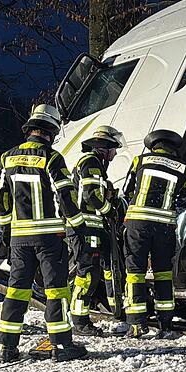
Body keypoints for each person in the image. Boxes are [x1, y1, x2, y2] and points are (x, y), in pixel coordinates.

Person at [0, 104, 89, 362]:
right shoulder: (52, 158)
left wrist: (6, 230)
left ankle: (7, 347)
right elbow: (65, 196)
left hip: (19, 239)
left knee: (17, 290)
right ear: (52, 131)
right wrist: (78, 226)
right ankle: (61, 345)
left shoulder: (7, 158)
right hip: (49, 239)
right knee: (56, 290)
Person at [121, 129, 186, 338]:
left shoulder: (140, 161)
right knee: (163, 273)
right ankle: (166, 324)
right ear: (174, 148)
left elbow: (127, 190)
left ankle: (136, 324)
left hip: (138, 225)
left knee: (135, 273)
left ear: (154, 146)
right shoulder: (183, 168)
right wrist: (185, 201)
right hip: (164, 227)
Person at [68, 125, 125, 336]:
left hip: (92, 227)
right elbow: (91, 194)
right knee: (87, 274)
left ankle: (116, 310)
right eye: (113, 149)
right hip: (85, 228)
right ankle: (80, 321)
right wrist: (109, 210)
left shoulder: (94, 165)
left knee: (102, 269)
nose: (115, 153)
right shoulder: (91, 163)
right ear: (105, 148)